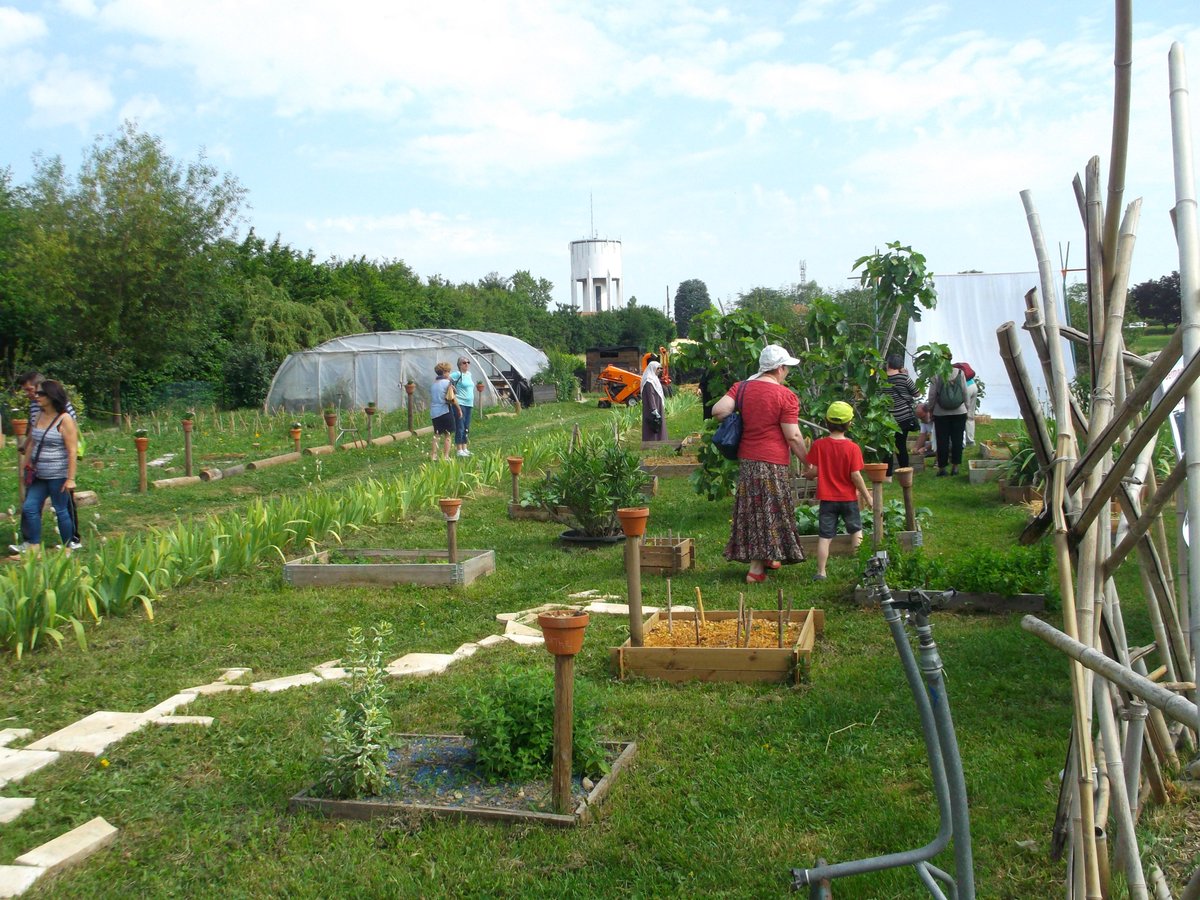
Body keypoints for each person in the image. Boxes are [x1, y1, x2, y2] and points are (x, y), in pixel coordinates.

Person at [712, 344, 808, 583]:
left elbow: (718, 411)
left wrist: (743, 414)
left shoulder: (742, 388)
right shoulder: (785, 396)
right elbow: (793, 436)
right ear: (779, 368)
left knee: (755, 509)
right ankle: (756, 569)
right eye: (786, 368)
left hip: (748, 460)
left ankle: (768, 556)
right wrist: (808, 461)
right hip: (772, 462)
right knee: (770, 510)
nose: (786, 372)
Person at [804, 401, 872, 581]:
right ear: (849, 423)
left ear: (827, 422)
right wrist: (867, 497)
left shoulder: (819, 445)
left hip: (827, 500)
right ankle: (861, 568)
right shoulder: (853, 448)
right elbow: (855, 476)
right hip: (848, 499)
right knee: (856, 531)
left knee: (825, 536)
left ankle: (821, 572)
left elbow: (815, 471)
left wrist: (808, 475)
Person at [11, 381, 79, 555]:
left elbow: (72, 451)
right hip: (39, 475)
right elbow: (33, 442)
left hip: (58, 474)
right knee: (29, 507)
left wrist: (70, 479)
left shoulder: (65, 419)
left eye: (41, 393)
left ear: (51, 396)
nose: (37, 396)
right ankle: (34, 545)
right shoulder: (38, 415)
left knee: (61, 510)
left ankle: (67, 547)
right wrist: (26, 466)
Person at [928, 356, 969, 476]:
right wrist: (967, 408)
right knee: (957, 439)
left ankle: (942, 468)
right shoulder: (960, 372)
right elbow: (965, 392)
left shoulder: (936, 373)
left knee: (942, 440)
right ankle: (955, 467)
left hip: (941, 413)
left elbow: (932, 394)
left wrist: (931, 409)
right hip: (959, 412)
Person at [884, 355, 918, 472]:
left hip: (887, 418)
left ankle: (888, 475)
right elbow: (916, 393)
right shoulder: (904, 378)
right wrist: (906, 375)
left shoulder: (881, 378)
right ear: (900, 365)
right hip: (903, 416)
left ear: (888, 364)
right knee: (901, 445)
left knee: (887, 446)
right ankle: (904, 472)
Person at [429, 362, 460, 462]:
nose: (449, 374)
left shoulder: (433, 384)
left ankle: (433, 455)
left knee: (437, 434)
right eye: (448, 371)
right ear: (444, 372)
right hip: (445, 411)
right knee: (448, 435)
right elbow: (453, 398)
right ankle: (446, 456)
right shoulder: (447, 383)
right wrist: (459, 409)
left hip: (434, 412)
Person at [449, 356, 476, 457]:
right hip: (460, 403)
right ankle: (459, 449)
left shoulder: (469, 374)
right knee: (460, 425)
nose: (467, 364)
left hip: (469, 404)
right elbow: (446, 379)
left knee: (466, 426)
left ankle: (465, 447)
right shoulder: (457, 374)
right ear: (459, 365)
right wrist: (451, 387)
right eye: (464, 363)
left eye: (468, 362)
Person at [640, 359, 667, 441]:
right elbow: (650, 395)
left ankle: (660, 440)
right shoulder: (649, 381)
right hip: (652, 407)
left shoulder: (654, 378)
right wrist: (654, 409)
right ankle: (651, 442)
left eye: (660, 368)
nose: (659, 370)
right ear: (653, 368)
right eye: (658, 368)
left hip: (657, 404)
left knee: (658, 423)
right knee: (652, 423)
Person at [957, 362, 979, 446]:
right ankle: (970, 440)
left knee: (961, 414)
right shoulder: (961, 368)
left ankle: (961, 440)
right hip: (973, 386)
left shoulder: (952, 369)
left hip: (967, 388)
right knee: (970, 415)